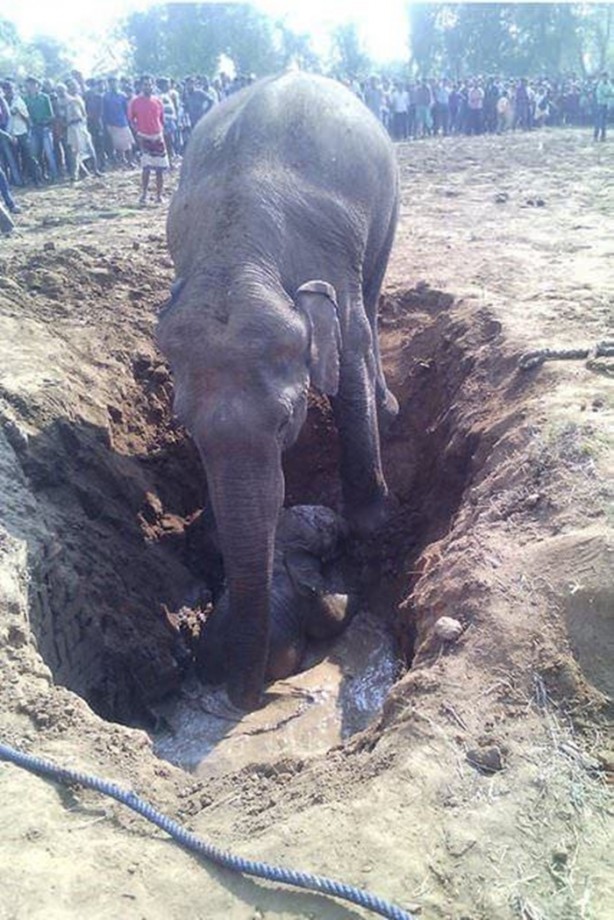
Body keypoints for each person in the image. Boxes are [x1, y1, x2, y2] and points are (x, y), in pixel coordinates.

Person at [128, 74, 169, 204]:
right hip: (144, 136)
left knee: (159, 169)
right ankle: (144, 194)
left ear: (153, 85)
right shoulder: (135, 101)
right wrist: (137, 132)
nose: (148, 87)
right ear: (141, 86)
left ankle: (159, 196)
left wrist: (161, 132)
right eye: (145, 84)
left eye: (150, 84)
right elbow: (131, 119)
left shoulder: (158, 101)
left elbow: (162, 119)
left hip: (157, 136)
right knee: (146, 168)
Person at [64, 79, 101, 181]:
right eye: (71, 86)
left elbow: (83, 113)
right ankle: (76, 174)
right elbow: (68, 117)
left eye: (75, 85)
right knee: (76, 152)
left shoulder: (78, 97)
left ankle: (95, 170)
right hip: (73, 127)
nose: (74, 87)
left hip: (82, 126)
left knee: (90, 148)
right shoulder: (68, 100)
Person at [24, 76, 58, 181]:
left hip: (45, 128)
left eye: (33, 84)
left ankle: (54, 176)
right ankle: (40, 176)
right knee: (35, 155)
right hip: (33, 129)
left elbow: (51, 115)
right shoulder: (25, 99)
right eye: (29, 85)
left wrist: (44, 121)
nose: (31, 87)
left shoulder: (44, 97)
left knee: (49, 154)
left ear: (38, 85)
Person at [102, 76, 135, 166]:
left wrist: (129, 120)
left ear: (117, 83)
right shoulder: (106, 97)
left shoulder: (122, 95)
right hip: (112, 123)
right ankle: (121, 161)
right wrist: (106, 124)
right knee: (117, 145)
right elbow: (104, 111)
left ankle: (130, 161)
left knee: (128, 143)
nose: (113, 84)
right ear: (108, 84)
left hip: (123, 122)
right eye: (111, 83)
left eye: (114, 82)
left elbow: (126, 109)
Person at [593, 72, 612, 142]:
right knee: (598, 121)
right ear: (602, 77)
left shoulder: (609, 84)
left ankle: (603, 136)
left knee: (604, 121)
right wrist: (608, 94)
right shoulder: (600, 85)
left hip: (606, 104)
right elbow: (602, 94)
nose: (605, 78)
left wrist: (609, 94)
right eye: (604, 77)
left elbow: (612, 92)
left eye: (606, 77)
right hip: (600, 104)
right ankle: (595, 136)